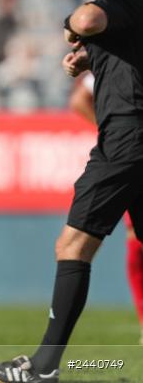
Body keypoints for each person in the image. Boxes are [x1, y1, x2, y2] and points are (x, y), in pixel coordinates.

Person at [0, 0, 143, 382]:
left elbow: (90, 19)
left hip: (127, 136)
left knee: (73, 244)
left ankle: (44, 367)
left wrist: (71, 26)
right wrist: (94, 56)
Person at [69, 73, 143, 344]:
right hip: (133, 150)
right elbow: (80, 99)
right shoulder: (125, 57)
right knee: (135, 239)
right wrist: (116, 132)